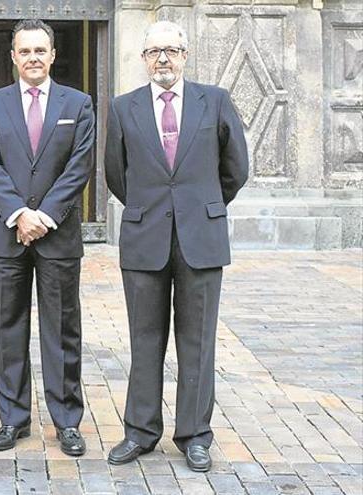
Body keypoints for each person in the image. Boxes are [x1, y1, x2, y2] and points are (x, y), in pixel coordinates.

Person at [104, 20, 248, 472]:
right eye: (154, 51)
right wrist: (156, 208)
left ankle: (195, 436)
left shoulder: (216, 101)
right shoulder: (124, 107)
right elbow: (115, 173)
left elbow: (236, 167)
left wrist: (198, 206)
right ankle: (141, 433)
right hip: (145, 239)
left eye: (171, 49)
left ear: (185, 55)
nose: (163, 58)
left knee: (198, 341)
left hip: (200, 240)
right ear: (143, 58)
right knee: (145, 340)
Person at [0, 19, 95, 456]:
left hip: (58, 234)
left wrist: (44, 215)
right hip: (7, 235)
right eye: (24, 52)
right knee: (9, 328)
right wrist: (19, 213)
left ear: (52, 55)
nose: (33, 59)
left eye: (40, 51)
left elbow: (79, 166)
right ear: (13, 57)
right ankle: (12, 419)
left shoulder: (78, 104)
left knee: (62, 329)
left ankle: (67, 420)